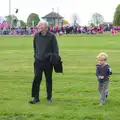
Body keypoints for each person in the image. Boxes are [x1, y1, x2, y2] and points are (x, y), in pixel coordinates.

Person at [29, 21, 59, 104]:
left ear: (46, 27)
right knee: (37, 79)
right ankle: (36, 98)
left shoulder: (52, 36)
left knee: (48, 80)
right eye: (39, 26)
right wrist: (36, 56)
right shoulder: (36, 36)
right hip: (38, 62)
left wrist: (53, 58)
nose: (40, 27)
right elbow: (35, 47)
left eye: (41, 26)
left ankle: (49, 98)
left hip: (48, 62)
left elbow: (56, 49)